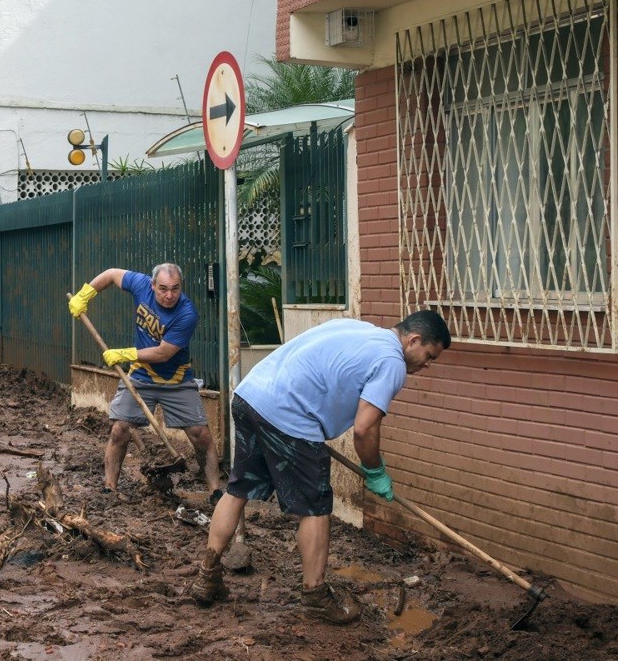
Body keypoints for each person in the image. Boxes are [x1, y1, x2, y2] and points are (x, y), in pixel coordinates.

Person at [188, 311, 451, 624]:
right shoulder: (392, 361)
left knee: (237, 490)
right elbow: (365, 429)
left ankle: (207, 577)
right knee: (314, 508)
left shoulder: (357, 327)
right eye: (429, 355)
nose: (427, 364)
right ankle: (315, 596)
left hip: (251, 396)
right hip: (290, 416)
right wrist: (375, 470)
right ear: (414, 340)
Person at [69, 264, 222, 501]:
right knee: (120, 429)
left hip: (177, 380)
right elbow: (110, 274)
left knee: (200, 433)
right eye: (163, 289)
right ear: (152, 285)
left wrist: (125, 354)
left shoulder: (187, 314)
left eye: (175, 289)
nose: (169, 295)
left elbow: (163, 354)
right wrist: (86, 294)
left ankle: (215, 491)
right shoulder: (141, 285)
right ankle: (110, 487)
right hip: (142, 375)